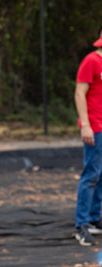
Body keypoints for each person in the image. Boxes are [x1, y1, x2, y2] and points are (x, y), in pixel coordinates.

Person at [74, 29, 102, 246]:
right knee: (91, 173)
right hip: (95, 126)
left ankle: (94, 219)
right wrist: (85, 125)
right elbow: (79, 93)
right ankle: (81, 225)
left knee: (100, 174)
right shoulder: (91, 61)